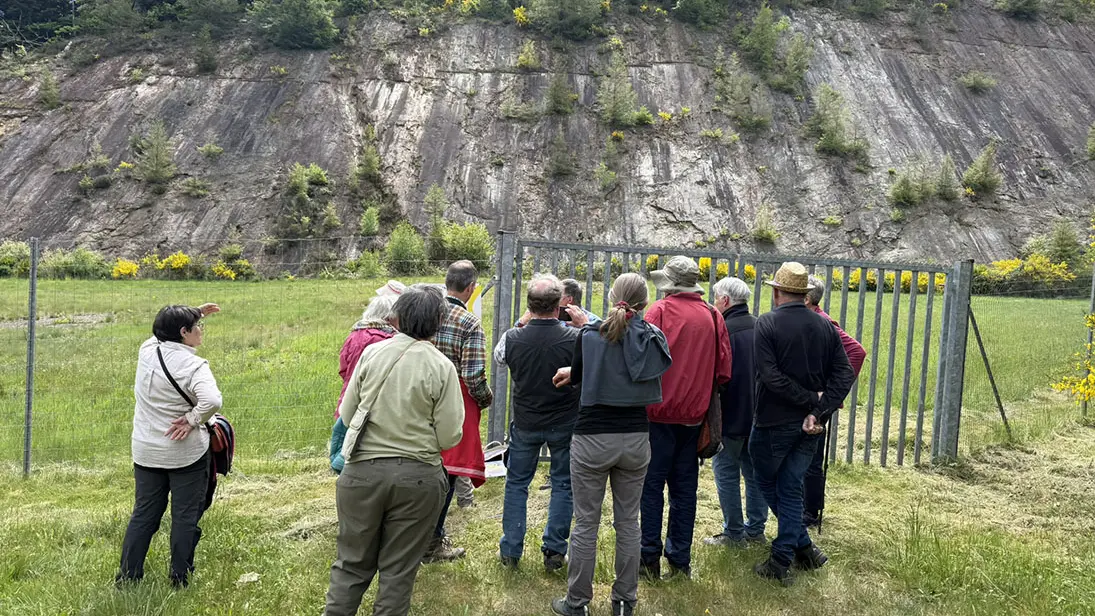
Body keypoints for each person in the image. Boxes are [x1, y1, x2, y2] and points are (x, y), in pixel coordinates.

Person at [324, 286, 464, 616]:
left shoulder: (371, 355)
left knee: (350, 565)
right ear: (440, 322)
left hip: (361, 473)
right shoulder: (442, 367)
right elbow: (449, 435)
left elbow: (346, 414)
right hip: (418, 478)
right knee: (398, 571)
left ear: (396, 318)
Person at [550, 273, 672, 616]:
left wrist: (571, 371)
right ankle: (624, 601)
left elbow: (583, 371)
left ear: (610, 298)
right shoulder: (651, 338)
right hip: (635, 437)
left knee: (586, 522)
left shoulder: (590, 334)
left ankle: (577, 603)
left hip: (592, 437)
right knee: (628, 522)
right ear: (645, 304)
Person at [750, 262, 855, 586]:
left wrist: (812, 401)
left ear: (777, 291)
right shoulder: (825, 326)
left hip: (773, 420)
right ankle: (804, 549)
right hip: (810, 425)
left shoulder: (766, 323)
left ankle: (784, 556)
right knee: (791, 486)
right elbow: (845, 373)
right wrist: (819, 410)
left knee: (766, 480)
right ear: (804, 293)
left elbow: (771, 377)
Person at [117, 303, 223, 588]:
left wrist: (194, 313)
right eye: (198, 326)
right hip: (184, 454)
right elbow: (212, 401)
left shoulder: (147, 351)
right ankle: (180, 579)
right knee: (185, 516)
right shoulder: (193, 366)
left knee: (143, 515)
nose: (201, 330)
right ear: (184, 333)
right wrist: (192, 419)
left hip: (146, 451)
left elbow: (160, 334)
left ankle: (127, 577)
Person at [639, 256, 731, 580]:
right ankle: (680, 560)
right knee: (684, 490)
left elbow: (641, 362)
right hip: (694, 419)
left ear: (669, 284)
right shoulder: (713, 315)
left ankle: (647, 559)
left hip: (657, 415)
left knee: (650, 488)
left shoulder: (658, 312)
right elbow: (724, 371)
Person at [493, 274, 581, 572]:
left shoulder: (513, 337)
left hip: (527, 421)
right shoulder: (575, 338)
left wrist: (521, 322)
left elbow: (499, 358)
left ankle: (511, 550)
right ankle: (554, 551)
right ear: (560, 305)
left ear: (529, 305)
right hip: (564, 421)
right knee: (563, 484)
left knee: (517, 483)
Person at [425, 261, 494, 563]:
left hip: (420, 399)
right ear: (470, 289)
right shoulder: (468, 323)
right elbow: (473, 374)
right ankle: (432, 541)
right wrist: (485, 399)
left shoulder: (427, 314)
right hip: (452, 404)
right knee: (448, 475)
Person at [703, 277, 768, 548]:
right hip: (761, 415)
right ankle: (756, 530)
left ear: (725, 301)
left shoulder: (721, 330)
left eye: (716, 297)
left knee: (726, 471)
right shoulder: (763, 327)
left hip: (730, 414)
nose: (714, 302)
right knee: (754, 473)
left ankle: (733, 532)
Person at [802, 275, 866, 528]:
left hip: (816, 401)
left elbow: (857, 352)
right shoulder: (814, 319)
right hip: (813, 398)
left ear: (807, 298)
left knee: (811, 458)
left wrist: (831, 394)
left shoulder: (822, 322)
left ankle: (809, 512)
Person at [330, 295, 398, 474]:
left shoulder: (354, 335)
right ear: (389, 316)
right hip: (370, 400)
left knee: (348, 443)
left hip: (348, 397)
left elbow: (343, 369)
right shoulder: (384, 339)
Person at [516, 278, 599, 328]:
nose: (554, 298)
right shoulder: (547, 314)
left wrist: (585, 326)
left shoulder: (593, 322)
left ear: (569, 300)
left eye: (558, 295)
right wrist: (522, 321)